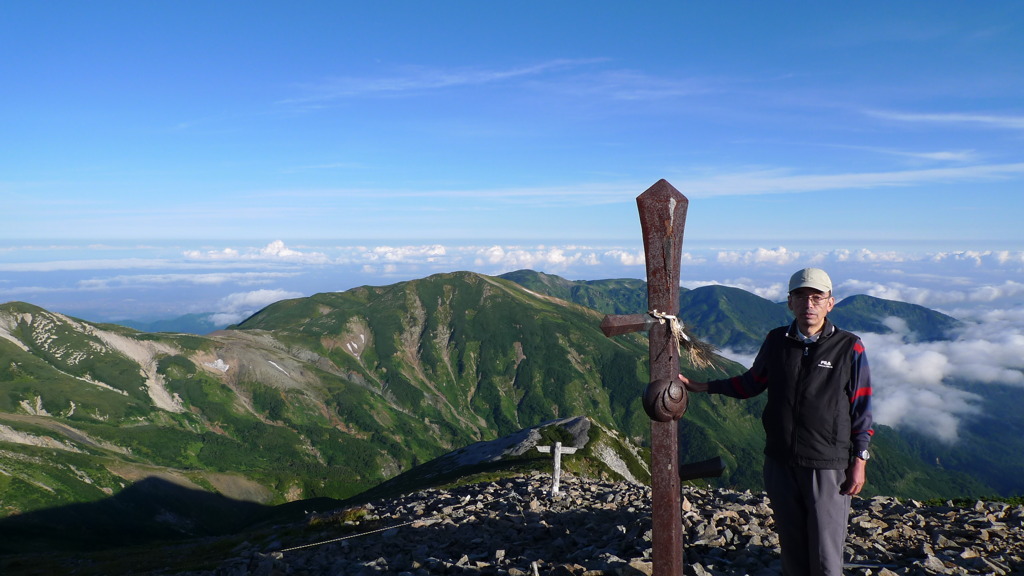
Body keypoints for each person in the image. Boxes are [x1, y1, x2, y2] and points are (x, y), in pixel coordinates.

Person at [678, 267, 873, 576]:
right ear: (789, 303)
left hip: (827, 463)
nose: (808, 304)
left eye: (816, 297)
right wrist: (705, 386)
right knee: (793, 551)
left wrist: (859, 459)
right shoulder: (776, 341)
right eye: (801, 297)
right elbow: (752, 383)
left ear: (830, 303)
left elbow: (861, 405)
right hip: (780, 461)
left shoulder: (849, 346)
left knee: (825, 556)